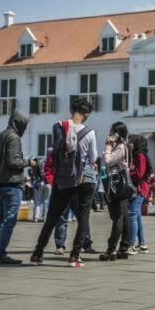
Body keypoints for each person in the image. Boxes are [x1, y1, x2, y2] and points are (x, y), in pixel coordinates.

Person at [30, 98, 97, 268]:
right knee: (83, 218)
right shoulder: (90, 132)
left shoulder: (59, 126)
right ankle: (74, 256)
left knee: (52, 216)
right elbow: (93, 157)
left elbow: (56, 149)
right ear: (87, 114)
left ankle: (38, 253)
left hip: (65, 178)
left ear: (72, 110)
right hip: (85, 178)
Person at [0, 110, 36, 264]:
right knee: (9, 220)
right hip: (12, 185)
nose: (25, 129)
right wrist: (29, 162)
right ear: (18, 123)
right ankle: (0, 252)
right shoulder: (14, 138)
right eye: (24, 125)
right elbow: (12, 162)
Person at [100, 121, 131, 260]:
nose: (110, 134)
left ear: (117, 134)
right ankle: (124, 248)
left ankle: (111, 249)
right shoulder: (123, 146)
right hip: (121, 184)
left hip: (117, 185)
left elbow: (107, 161)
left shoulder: (120, 147)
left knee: (118, 217)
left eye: (112, 131)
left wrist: (108, 146)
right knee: (124, 217)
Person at [127, 134, 151, 255]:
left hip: (140, 188)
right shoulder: (137, 154)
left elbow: (140, 173)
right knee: (137, 216)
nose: (129, 143)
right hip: (140, 187)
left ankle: (131, 244)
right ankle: (142, 244)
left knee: (132, 214)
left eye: (131, 141)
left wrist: (128, 173)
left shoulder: (140, 155)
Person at [32, 148, 53, 222]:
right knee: (46, 201)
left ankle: (36, 218)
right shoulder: (53, 162)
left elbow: (35, 172)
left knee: (37, 201)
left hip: (39, 182)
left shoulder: (40, 161)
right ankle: (45, 218)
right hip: (48, 183)